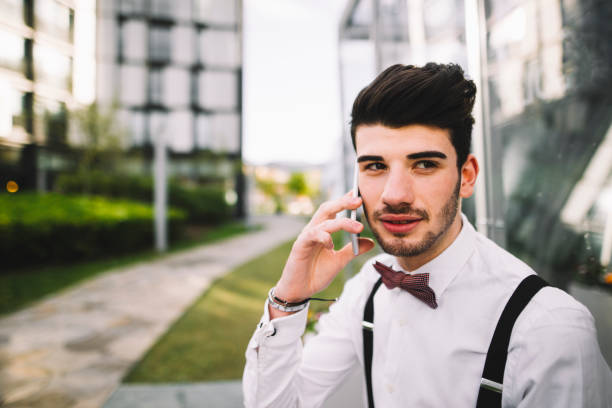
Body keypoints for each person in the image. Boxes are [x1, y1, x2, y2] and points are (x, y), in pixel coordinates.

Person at [242, 63, 612, 407]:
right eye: (375, 166)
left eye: (424, 164)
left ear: (466, 176)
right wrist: (288, 299)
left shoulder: (550, 328)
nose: (395, 194)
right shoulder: (368, 287)